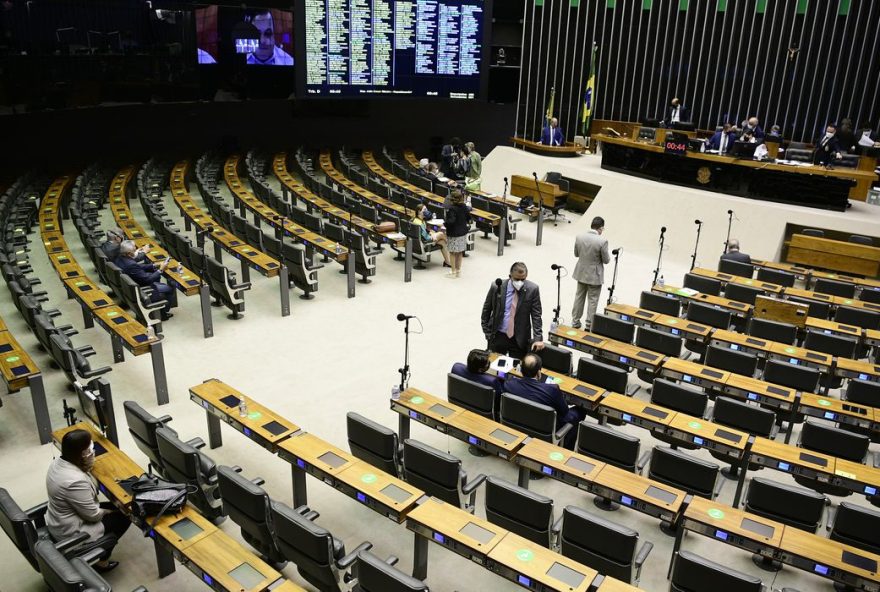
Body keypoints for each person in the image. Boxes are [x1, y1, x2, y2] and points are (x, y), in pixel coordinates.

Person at [46, 429, 130, 572]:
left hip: (60, 518)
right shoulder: (75, 481)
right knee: (126, 515)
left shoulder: (57, 464)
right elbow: (93, 516)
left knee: (115, 507)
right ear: (83, 454)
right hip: (72, 531)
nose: (93, 452)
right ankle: (101, 561)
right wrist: (107, 511)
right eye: (90, 449)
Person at [502, 354, 585, 449]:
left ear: (520, 369)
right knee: (578, 412)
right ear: (538, 373)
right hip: (544, 431)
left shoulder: (509, 384)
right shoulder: (552, 389)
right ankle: (566, 449)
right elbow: (564, 412)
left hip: (517, 424)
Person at [481, 262, 544, 359]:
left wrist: (538, 338)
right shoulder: (497, 286)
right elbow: (486, 309)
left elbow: (536, 316)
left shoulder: (533, 289)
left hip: (519, 338)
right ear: (510, 276)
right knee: (493, 365)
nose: (519, 282)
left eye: (523, 279)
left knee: (517, 369)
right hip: (498, 335)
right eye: (516, 279)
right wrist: (487, 332)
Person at [115, 240, 177, 320]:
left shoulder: (120, 258)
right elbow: (147, 280)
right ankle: (162, 314)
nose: (136, 251)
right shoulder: (131, 264)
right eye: (134, 250)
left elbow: (138, 267)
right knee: (169, 289)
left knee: (156, 275)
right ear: (129, 253)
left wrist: (154, 265)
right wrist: (160, 270)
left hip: (133, 284)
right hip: (143, 288)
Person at [571, 216, 610, 331]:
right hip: (594, 275)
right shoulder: (602, 241)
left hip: (581, 272)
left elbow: (576, 254)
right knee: (593, 300)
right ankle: (589, 325)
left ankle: (575, 321)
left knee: (579, 297)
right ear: (601, 228)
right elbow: (606, 260)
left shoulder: (579, 237)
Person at [444, 190, 471, 278]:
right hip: (462, 232)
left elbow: (451, 221)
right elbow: (468, 218)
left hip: (454, 233)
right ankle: (458, 270)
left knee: (452, 252)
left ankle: (453, 271)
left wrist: (445, 224)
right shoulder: (464, 206)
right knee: (459, 252)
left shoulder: (452, 209)